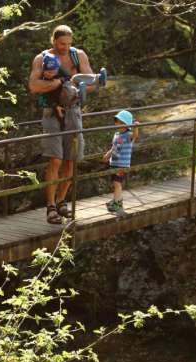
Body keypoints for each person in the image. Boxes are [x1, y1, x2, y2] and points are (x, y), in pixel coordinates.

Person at [28, 25, 95, 225]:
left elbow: (91, 82)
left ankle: (61, 201)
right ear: (53, 41)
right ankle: (50, 207)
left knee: (71, 159)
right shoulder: (42, 58)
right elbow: (33, 86)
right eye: (61, 44)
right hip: (50, 113)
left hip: (73, 112)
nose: (65, 47)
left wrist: (73, 86)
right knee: (55, 159)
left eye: (68, 43)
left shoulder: (78, 56)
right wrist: (58, 84)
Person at [103, 111, 138, 213]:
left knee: (117, 183)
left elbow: (135, 135)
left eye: (118, 122)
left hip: (122, 164)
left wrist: (135, 127)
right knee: (115, 183)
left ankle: (117, 203)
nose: (116, 124)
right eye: (116, 121)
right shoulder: (117, 134)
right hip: (114, 162)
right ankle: (116, 200)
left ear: (125, 124)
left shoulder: (128, 134)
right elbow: (114, 148)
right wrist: (108, 155)